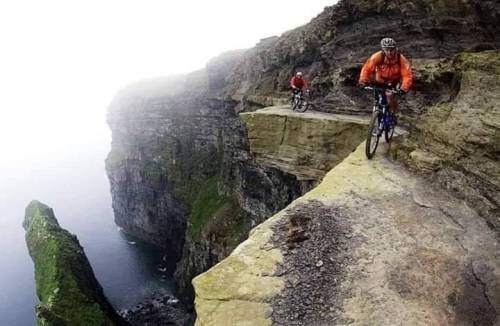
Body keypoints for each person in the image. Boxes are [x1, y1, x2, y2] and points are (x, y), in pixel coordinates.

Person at [358, 38, 413, 112]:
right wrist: (362, 81)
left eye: (391, 50)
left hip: (393, 81)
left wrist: (403, 88)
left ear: (395, 49)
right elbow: (367, 68)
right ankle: (377, 114)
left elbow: (407, 75)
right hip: (379, 80)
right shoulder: (377, 56)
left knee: (390, 96)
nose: (389, 52)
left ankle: (393, 112)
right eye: (386, 50)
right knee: (377, 98)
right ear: (383, 50)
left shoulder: (401, 59)